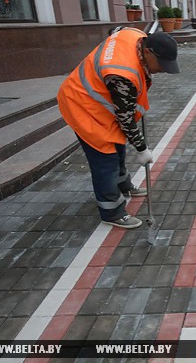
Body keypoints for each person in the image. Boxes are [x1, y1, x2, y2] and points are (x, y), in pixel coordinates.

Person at [57, 29, 180, 229]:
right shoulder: (121, 74)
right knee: (105, 159)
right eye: (162, 65)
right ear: (148, 52)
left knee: (118, 145)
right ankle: (111, 211)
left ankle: (124, 185)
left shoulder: (134, 35)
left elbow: (115, 31)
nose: (163, 70)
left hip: (101, 101)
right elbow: (125, 119)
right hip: (83, 105)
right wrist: (142, 148)